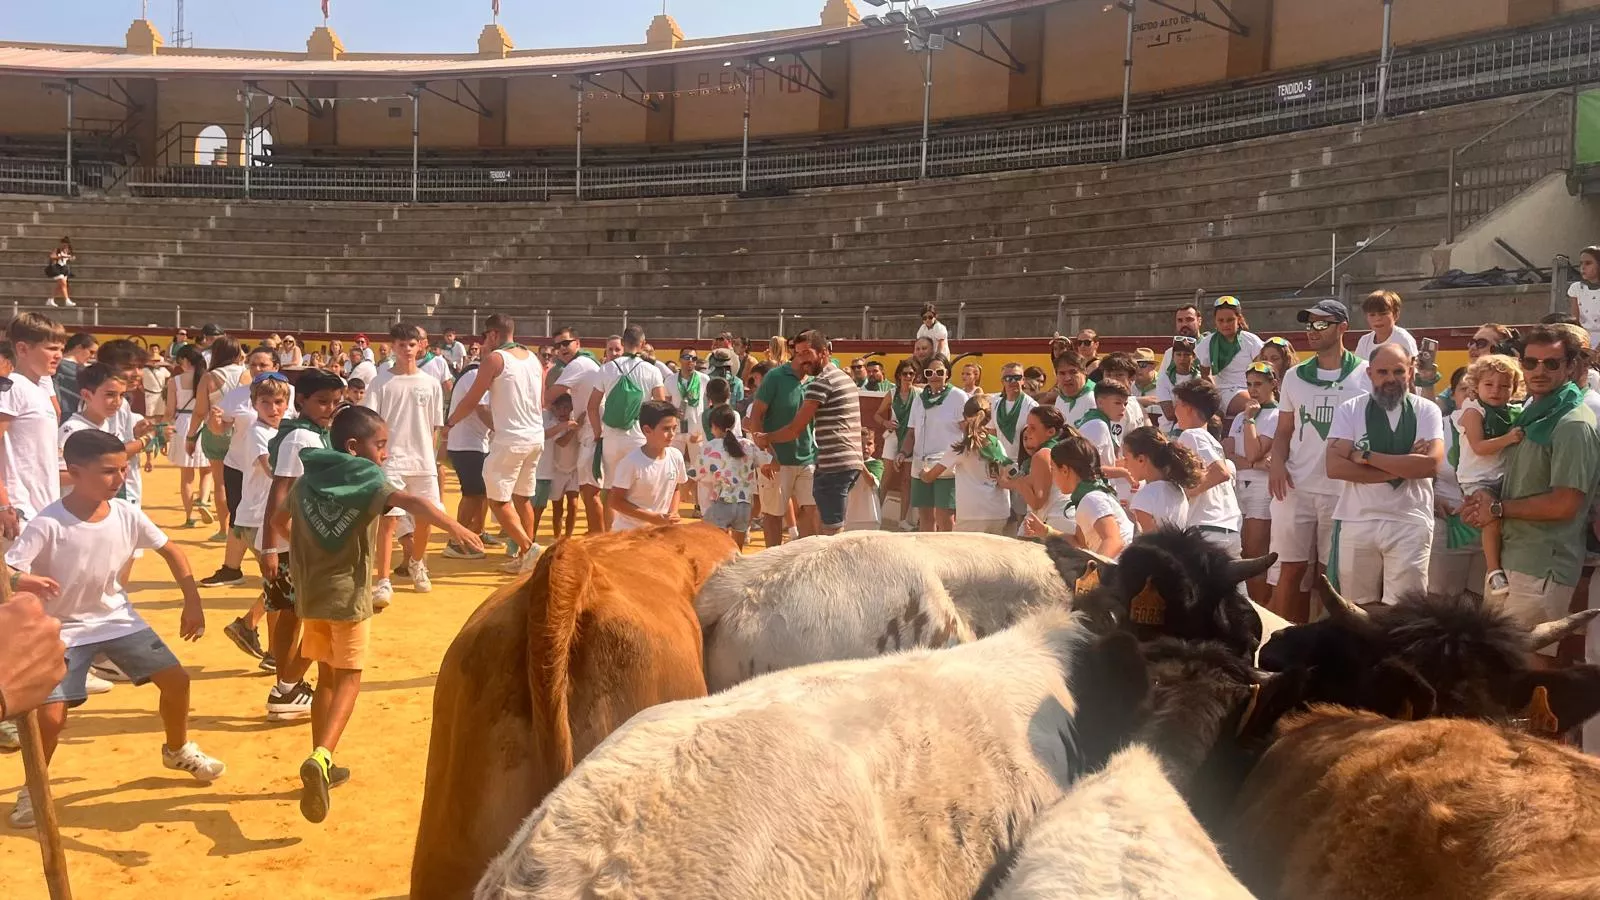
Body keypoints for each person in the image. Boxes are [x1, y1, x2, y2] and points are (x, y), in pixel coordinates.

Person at [6, 429, 222, 828]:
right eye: (108, 472)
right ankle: (32, 790)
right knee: (51, 718)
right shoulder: (48, 523)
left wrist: (193, 600)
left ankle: (177, 750)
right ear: (74, 472)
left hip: (116, 619)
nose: (120, 479)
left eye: (123, 469)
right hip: (61, 629)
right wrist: (21, 581)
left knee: (177, 680)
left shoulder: (126, 513)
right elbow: (8, 569)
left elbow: (172, 551)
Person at [279, 405, 481, 824]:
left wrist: (309, 550)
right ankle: (321, 756)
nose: (385, 453)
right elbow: (412, 500)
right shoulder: (367, 478)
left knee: (326, 677)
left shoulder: (308, 479)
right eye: (381, 444)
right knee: (351, 677)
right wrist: (455, 527)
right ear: (355, 447)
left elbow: (283, 521)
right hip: (347, 597)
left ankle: (325, 765)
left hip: (311, 595)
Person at [1463, 325, 1600, 657]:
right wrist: (1487, 498)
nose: (1539, 371)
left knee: (1527, 675)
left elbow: (1565, 504)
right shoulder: (1532, 413)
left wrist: (1498, 510)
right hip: (1512, 558)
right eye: (1531, 362)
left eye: (1551, 363)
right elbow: (1519, 481)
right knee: (1497, 670)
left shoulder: (1573, 423)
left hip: (1541, 565)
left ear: (1571, 367)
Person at [1268, 298, 1371, 622]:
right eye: (1309, 324)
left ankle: (1325, 648)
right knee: (1290, 568)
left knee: (1330, 577)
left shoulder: (1367, 373)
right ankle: (1276, 642)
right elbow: (1284, 430)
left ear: (1343, 328)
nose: (1312, 330)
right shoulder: (1295, 376)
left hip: (1343, 490)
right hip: (1295, 487)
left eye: (1321, 324)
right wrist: (1276, 463)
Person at [1324, 342, 1445, 604]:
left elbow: (1430, 466)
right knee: (1355, 609)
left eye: (1399, 372)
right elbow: (1334, 467)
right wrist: (1403, 465)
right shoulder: (1350, 409)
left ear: (1410, 372)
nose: (1391, 379)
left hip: (1410, 520)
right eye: (1383, 372)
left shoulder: (1427, 410)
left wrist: (1366, 457)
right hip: (1357, 519)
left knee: (1404, 612)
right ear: (1369, 373)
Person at [260, 369, 347, 722]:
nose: (330, 408)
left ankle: (287, 684)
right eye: (322, 401)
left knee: (291, 613)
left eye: (335, 402)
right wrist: (269, 546)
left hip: (293, 538)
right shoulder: (301, 438)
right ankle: (286, 686)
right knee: (314, 615)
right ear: (302, 401)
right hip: (294, 540)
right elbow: (280, 491)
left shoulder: (312, 434)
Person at [445, 315, 546, 571]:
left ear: (492, 335)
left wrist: (449, 422)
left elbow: (471, 400)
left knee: (498, 501)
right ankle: (525, 557)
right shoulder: (533, 359)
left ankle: (529, 549)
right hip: (535, 435)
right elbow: (541, 400)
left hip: (511, 439)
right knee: (523, 499)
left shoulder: (495, 359)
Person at [361, 323, 445, 601]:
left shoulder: (431, 383)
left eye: (412, 344)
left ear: (420, 345)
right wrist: (376, 460)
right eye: (401, 345)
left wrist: (432, 459)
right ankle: (383, 581)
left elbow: (435, 426)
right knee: (388, 523)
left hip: (423, 462)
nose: (407, 349)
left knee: (426, 519)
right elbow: (371, 425)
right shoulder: (380, 382)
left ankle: (416, 563)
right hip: (391, 461)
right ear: (393, 347)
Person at [754, 331, 863, 537]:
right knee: (826, 524)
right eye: (798, 353)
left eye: (806, 353)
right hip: (842, 462)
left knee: (829, 530)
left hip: (831, 464)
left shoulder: (820, 382)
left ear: (823, 352)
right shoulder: (843, 377)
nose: (802, 359)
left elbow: (795, 429)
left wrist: (767, 438)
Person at [217, 374, 292, 666]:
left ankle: (248, 625)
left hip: (262, 517)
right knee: (278, 585)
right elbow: (273, 470)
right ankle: (274, 653)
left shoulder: (279, 430)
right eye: (266, 403)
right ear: (254, 404)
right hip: (257, 518)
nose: (273, 408)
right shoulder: (259, 432)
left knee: (280, 581)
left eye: (278, 402)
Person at [200, 348, 284, 588]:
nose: (257, 369)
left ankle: (278, 567)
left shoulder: (290, 394)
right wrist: (216, 423)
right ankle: (232, 568)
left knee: (273, 517)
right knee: (239, 519)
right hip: (239, 464)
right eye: (253, 364)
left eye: (263, 365)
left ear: (276, 367)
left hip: (273, 466)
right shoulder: (237, 395)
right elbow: (221, 429)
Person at [1451, 353, 1525, 599]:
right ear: (1476, 386)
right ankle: (1493, 570)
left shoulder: (1513, 411)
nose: (1496, 390)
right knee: (1492, 515)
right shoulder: (1473, 410)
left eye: (1504, 386)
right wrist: (1509, 438)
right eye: (1489, 384)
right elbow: (1479, 446)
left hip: (1503, 477)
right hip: (1477, 479)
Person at [587, 326, 668, 531]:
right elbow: (661, 405)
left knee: (610, 490)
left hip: (612, 439)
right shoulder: (652, 370)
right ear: (642, 344)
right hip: (639, 437)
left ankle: (610, 536)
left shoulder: (606, 368)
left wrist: (598, 433)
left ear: (622, 344)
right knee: (639, 490)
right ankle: (640, 534)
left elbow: (592, 406)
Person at [0, 313, 66, 543]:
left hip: (42, 507)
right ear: (23, 349)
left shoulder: (38, 390)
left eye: (61, 348)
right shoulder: (12, 387)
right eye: (51, 348)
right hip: (18, 509)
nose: (59, 355)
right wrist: (3, 504)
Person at [750, 335, 819, 544]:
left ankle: (804, 559)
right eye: (802, 353)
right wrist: (766, 453)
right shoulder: (775, 377)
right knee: (773, 515)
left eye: (810, 353)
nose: (806, 358)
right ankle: (772, 560)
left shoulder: (816, 380)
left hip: (808, 458)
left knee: (810, 510)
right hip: (776, 459)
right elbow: (756, 416)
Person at [1225, 362, 1281, 604]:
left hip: (1261, 490)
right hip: (1239, 485)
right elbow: (1227, 453)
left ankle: (1261, 608)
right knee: (1241, 551)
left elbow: (1252, 452)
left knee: (1255, 553)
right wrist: (1254, 463)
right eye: (1249, 385)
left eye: (1258, 384)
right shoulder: (1239, 415)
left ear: (1273, 384)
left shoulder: (1275, 414)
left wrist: (1250, 420)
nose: (1253, 390)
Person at [1023, 435, 1134, 558]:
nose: (1053, 476)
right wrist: (1045, 531)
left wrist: (1093, 574)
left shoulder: (1091, 499)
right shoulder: (1087, 499)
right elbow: (1080, 542)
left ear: (1064, 470)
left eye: (1053, 469)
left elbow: (1113, 541)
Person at [1172, 379, 1244, 556]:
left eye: (1177, 405)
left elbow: (1220, 472)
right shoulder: (1212, 441)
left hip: (1205, 532)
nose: (1175, 411)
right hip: (1229, 531)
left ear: (1188, 408)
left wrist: (1186, 494)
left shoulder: (1192, 435)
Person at [546, 328, 606, 536]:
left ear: (577, 343)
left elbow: (550, 395)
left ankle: (596, 535)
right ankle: (597, 534)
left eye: (565, 343)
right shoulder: (587, 363)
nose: (561, 349)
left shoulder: (577, 364)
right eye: (557, 346)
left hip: (592, 431)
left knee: (590, 491)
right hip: (592, 431)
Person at [922, 394, 1011, 535]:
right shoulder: (997, 443)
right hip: (999, 511)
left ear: (964, 416)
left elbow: (931, 476)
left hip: (973, 513)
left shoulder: (961, 447)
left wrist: (923, 473)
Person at [187, 337, 247, 541]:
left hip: (215, 430)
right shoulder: (247, 375)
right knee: (246, 482)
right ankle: (245, 526)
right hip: (242, 431)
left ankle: (224, 529)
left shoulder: (209, 377)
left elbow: (199, 411)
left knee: (220, 483)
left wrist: (190, 437)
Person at [903, 355, 968, 533]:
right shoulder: (918, 398)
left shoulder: (958, 397)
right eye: (929, 372)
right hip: (919, 464)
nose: (934, 375)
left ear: (948, 373)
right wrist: (903, 452)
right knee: (924, 516)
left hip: (945, 466)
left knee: (945, 517)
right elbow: (911, 432)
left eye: (939, 371)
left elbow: (968, 433)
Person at [608, 400, 687, 531]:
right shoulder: (631, 462)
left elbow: (675, 488)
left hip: (659, 532)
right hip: (628, 533)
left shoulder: (676, 456)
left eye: (674, 428)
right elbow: (615, 501)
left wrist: (673, 513)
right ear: (647, 430)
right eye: (666, 429)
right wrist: (652, 518)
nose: (672, 434)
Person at [442, 359, 493, 560]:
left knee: (481, 493)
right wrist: (504, 431)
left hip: (476, 444)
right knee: (472, 494)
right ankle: (456, 541)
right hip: (466, 445)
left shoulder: (477, 376)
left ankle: (475, 535)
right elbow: (482, 410)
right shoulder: (474, 376)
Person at [689, 404, 758, 549]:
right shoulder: (748, 444)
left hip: (723, 503)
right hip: (745, 506)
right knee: (737, 554)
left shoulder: (710, 446)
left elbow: (695, 474)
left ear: (714, 426)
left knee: (714, 548)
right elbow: (769, 462)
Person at [997, 406, 1071, 535]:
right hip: (1063, 517)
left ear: (1050, 431)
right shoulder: (1063, 449)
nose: (1028, 431)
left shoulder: (1042, 455)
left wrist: (1019, 483)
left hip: (1054, 520)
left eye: (1033, 428)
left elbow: (1038, 502)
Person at [166, 346, 213, 529]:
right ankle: (203, 500)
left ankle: (189, 516)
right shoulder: (208, 379)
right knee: (207, 469)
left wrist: (165, 428)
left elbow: (170, 410)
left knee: (186, 476)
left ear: (185, 360)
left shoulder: (174, 381)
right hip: (204, 421)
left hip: (183, 423)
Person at [1196, 296, 1265, 418]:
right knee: (1254, 405)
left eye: (1230, 320)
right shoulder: (1208, 342)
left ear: (1238, 319)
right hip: (1225, 392)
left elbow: (1260, 370)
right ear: (1215, 321)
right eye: (1220, 320)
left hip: (1253, 388)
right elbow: (1205, 375)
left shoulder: (1251, 340)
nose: (1225, 324)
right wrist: (1215, 395)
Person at [1122, 426, 1200, 532]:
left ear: (1141, 459)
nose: (1124, 465)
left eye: (1126, 459)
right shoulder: (1178, 490)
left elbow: (1149, 542)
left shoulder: (1145, 496)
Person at [875, 359, 920, 530]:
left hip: (911, 438)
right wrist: (886, 423)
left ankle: (902, 520)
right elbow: (877, 415)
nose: (908, 376)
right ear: (899, 376)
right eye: (905, 373)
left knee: (906, 481)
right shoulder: (891, 394)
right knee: (886, 477)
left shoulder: (919, 394)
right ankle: (875, 514)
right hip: (893, 437)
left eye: (911, 373)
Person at [532, 393, 582, 542]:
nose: (562, 412)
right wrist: (572, 428)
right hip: (557, 469)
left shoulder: (575, 421)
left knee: (573, 504)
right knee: (557, 507)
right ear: (554, 409)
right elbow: (561, 442)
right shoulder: (554, 423)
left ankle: (567, 538)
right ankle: (557, 537)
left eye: (566, 408)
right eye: (559, 408)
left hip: (574, 468)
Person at [1076, 380, 1135, 501]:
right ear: (1100, 402)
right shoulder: (1097, 425)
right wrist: (1123, 472)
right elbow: (1088, 468)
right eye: (1117, 403)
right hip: (1094, 495)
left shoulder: (1094, 421)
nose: (1123, 408)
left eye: (1125, 404)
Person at [668, 348, 708, 515]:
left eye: (693, 358)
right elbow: (666, 402)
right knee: (671, 469)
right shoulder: (670, 380)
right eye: (687, 357)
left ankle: (700, 506)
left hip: (696, 431)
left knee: (700, 469)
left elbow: (709, 404)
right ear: (680, 359)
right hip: (676, 429)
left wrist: (702, 430)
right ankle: (670, 507)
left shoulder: (704, 379)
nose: (690, 361)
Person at [1354, 290, 1420, 361]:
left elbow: (1412, 368)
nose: (1377, 319)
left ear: (1395, 315)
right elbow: (1359, 369)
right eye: (1372, 315)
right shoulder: (1364, 341)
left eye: (1383, 314)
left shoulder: (1403, 338)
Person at [1156, 335, 1200, 429]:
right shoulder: (1164, 379)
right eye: (1178, 354)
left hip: (1195, 428)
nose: (1182, 358)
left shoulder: (1199, 379)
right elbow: (1170, 415)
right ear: (1172, 356)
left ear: (1194, 357)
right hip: (1168, 430)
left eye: (1186, 355)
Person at [1046, 350, 1097, 426]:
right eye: (1062, 373)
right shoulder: (1060, 399)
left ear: (1084, 372)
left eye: (1073, 372)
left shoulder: (1096, 398)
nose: (1067, 378)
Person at [55, 333, 97, 419]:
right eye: (91, 352)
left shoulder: (53, 365)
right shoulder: (80, 370)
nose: (92, 356)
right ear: (79, 347)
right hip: (69, 413)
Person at [1569, 246, 1600, 350]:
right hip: (1584, 339)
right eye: (1581, 263)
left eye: (1588, 263)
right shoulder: (1576, 288)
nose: (1582, 267)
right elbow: (1575, 322)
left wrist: (1597, 350)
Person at [44, 237, 75, 308]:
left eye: (66, 245)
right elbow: (52, 256)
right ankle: (67, 300)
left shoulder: (68, 251)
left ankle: (50, 299)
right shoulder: (57, 250)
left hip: (64, 269)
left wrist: (71, 258)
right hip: (56, 268)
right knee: (63, 283)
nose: (65, 246)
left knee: (60, 286)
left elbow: (71, 258)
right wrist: (60, 257)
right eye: (63, 244)